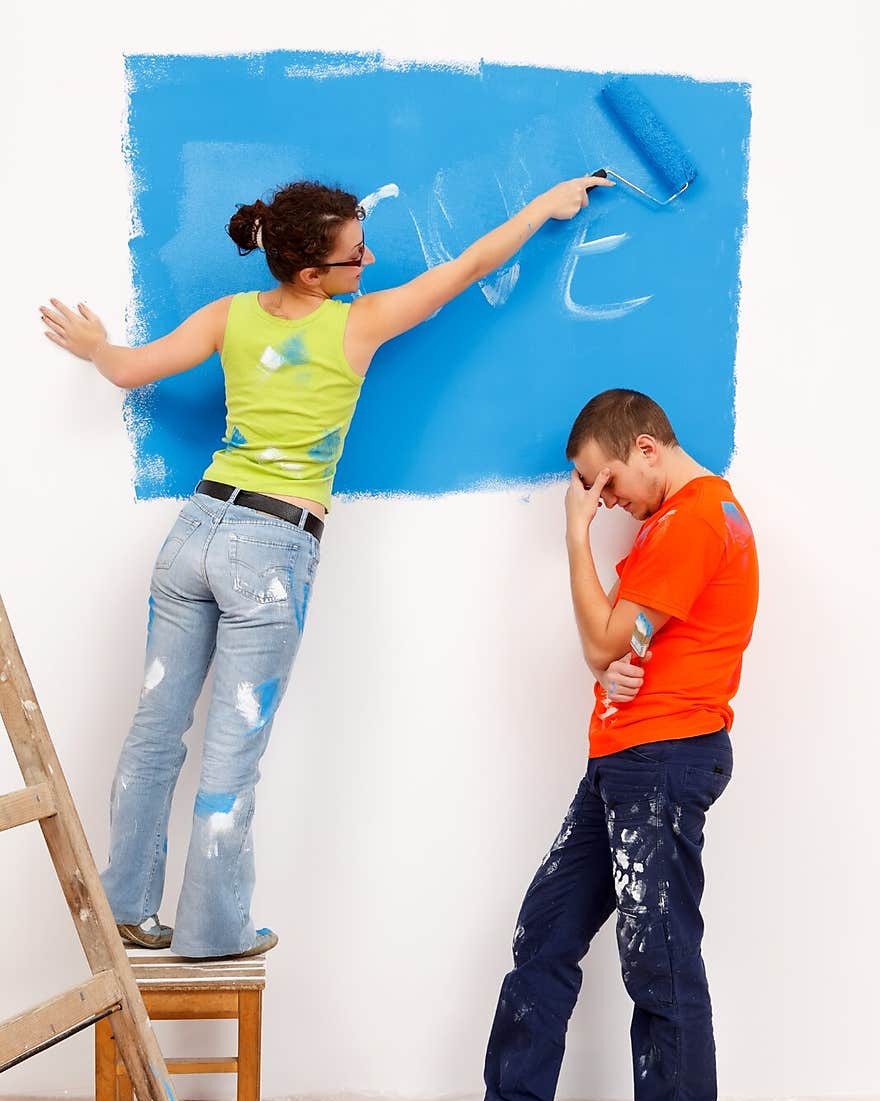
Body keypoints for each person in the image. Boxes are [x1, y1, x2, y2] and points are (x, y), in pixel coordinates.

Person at [39, 173, 612, 960]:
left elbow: (130, 370)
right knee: (232, 751)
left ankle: (123, 907)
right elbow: (472, 266)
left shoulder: (230, 316)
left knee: (153, 733)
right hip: (268, 552)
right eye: (355, 255)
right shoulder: (357, 326)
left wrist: (96, 345)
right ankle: (211, 932)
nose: (368, 262)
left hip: (194, 533)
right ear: (313, 274)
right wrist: (545, 208)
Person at [424, 388, 758, 1101]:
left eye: (602, 483)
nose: (602, 501)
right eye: (590, 496)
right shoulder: (668, 528)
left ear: (646, 447)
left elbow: (607, 637)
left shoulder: (695, 520)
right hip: (624, 759)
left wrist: (575, 541)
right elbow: (611, 648)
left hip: (663, 760)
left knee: (660, 952)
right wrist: (608, 653)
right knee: (546, 929)